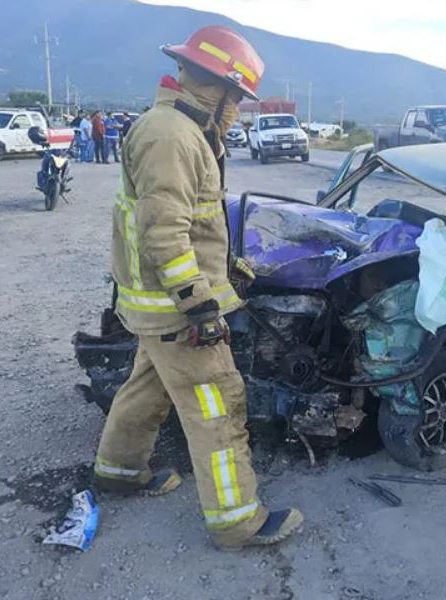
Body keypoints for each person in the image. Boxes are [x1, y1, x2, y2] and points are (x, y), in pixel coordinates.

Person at [90, 25, 303, 551]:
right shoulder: (172, 136)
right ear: (218, 87)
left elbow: (194, 222)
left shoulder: (180, 130)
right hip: (175, 310)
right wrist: (199, 304)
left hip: (156, 309)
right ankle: (236, 521)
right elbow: (164, 230)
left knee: (149, 386)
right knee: (218, 405)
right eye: (238, 97)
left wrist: (228, 271)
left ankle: (118, 469)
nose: (238, 109)